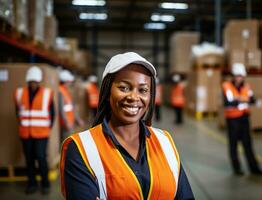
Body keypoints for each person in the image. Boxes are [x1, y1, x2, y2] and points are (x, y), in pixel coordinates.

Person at [60, 52, 194, 200]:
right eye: (124, 88)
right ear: (107, 91)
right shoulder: (81, 149)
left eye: (143, 90)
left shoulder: (165, 142)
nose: (133, 97)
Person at [14, 66, 55, 194]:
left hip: (41, 133)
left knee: (41, 158)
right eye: (31, 81)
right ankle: (32, 184)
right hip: (25, 133)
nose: (33, 84)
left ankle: (45, 184)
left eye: (35, 81)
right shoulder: (19, 93)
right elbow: (18, 112)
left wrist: (46, 128)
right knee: (29, 159)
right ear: (28, 81)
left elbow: (52, 114)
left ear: (39, 81)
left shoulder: (47, 94)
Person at [222, 63, 262, 176]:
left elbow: (253, 100)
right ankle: (237, 169)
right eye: (237, 75)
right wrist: (243, 100)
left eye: (241, 76)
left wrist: (239, 100)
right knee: (233, 144)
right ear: (233, 76)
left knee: (248, 144)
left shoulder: (246, 86)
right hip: (232, 120)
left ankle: (254, 168)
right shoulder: (226, 86)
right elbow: (228, 102)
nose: (239, 78)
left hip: (244, 118)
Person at [58, 70, 83, 143]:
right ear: (66, 81)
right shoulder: (61, 91)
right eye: (69, 81)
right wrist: (66, 123)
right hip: (65, 123)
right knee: (67, 143)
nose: (70, 83)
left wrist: (77, 119)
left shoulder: (65, 91)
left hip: (69, 122)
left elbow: (71, 107)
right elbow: (61, 110)